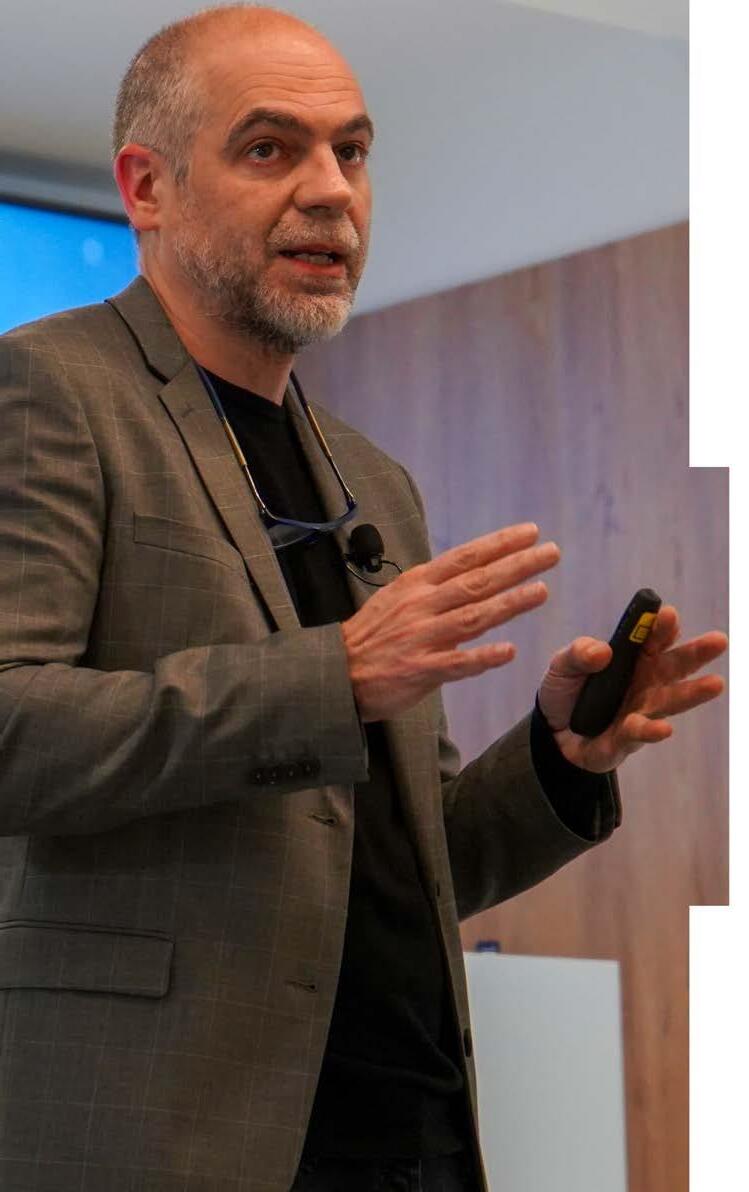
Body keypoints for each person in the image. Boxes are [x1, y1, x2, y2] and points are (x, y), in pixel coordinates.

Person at [0, 6, 726, 1192]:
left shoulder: (369, 476)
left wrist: (557, 760)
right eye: (269, 148)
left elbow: (413, 856)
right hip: (174, 1136)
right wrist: (328, 676)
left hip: (408, 1131)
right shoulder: (46, 390)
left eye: (352, 151)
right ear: (147, 187)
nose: (331, 191)